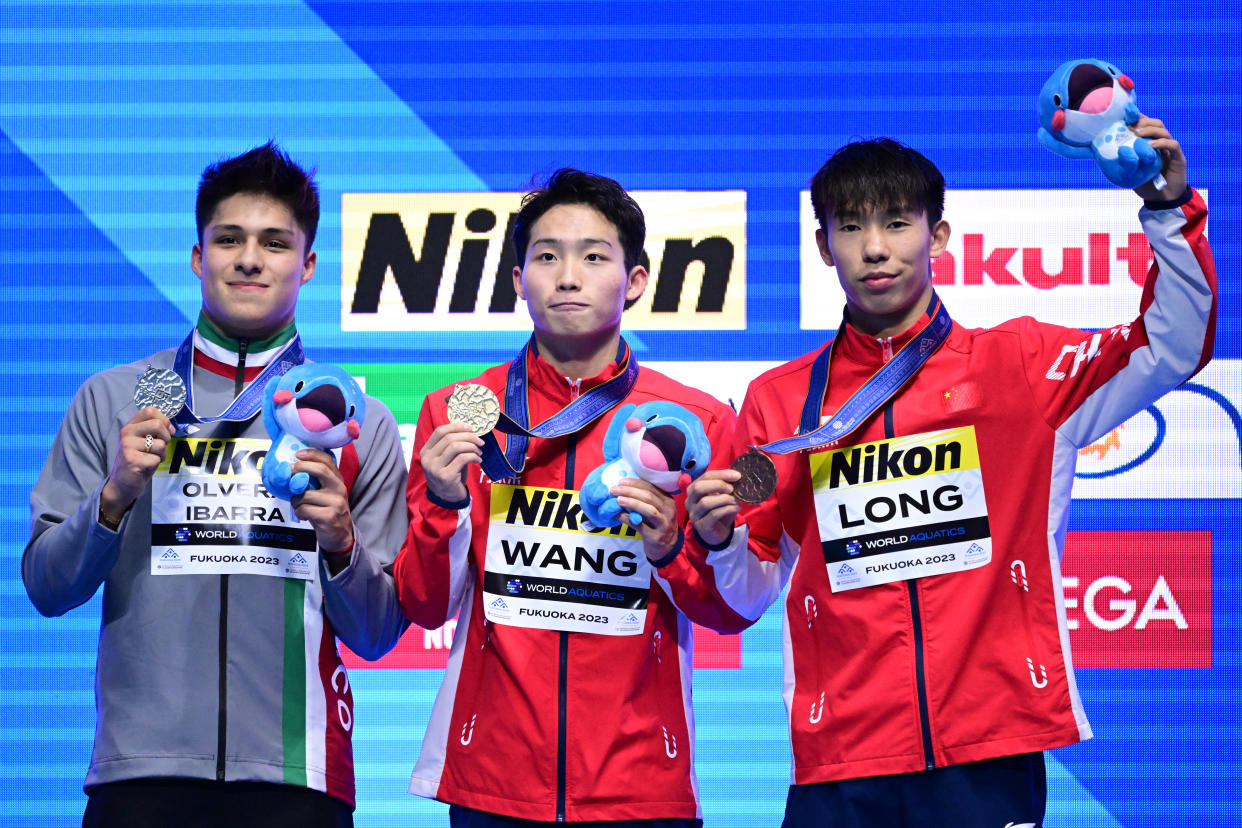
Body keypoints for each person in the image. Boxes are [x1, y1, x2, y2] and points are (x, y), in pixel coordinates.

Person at [681, 119, 1217, 826]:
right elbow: (744, 591)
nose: (875, 248)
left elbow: (1171, 344)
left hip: (990, 749)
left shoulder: (1022, 367)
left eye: (898, 223)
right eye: (851, 227)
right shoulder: (776, 403)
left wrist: (1166, 206)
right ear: (822, 246)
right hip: (841, 759)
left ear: (937, 236)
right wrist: (716, 540)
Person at [23, 142, 409, 828]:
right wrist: (112, 500)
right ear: (199, 257)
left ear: (308, 264)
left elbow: (378, 632)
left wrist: (341, 543)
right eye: (229, 239)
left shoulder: (359, 422)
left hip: (299, 777)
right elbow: (48, 589)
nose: (250, 258)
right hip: (141, 773)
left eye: (275, 242)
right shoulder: (113, 398)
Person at [394, 168, 737, 826]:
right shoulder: (459, 412)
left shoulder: (693, 424)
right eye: (547, 256)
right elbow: (424, 603)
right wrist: (442, 503)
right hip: (490, 781)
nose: (569, 276)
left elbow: (729, 612)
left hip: (642, 784)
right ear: (519, 280)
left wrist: (668, 549)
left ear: (635, 281)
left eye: (594, 256)